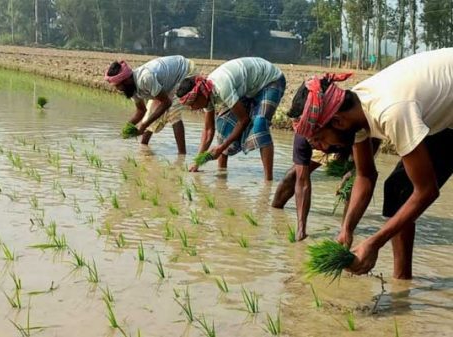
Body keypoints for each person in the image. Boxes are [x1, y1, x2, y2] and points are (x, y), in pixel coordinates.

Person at [287, 48, 453, 279]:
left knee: (409, 189)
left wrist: (374, 243)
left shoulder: (390, 111)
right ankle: (402, 282)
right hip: (443, 113)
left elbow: (426, 191)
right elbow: (365, 176)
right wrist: (347, 229)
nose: (322, 148)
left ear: (337, 121)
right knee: (398, 189)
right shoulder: (355, 111)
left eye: (320, 139)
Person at [176, 57, 285, 180]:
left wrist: (221, 147)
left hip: (270, 81)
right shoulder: (206, 93)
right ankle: (221, 176)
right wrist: (198, 162)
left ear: (200, 94)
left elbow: (244, 120)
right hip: (248, 88)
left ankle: (268, 180)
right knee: (223, 125)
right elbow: (208, 131)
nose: (192, 108)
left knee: (260, 124)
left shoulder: (222, 87)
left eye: (192, 104)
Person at [104, 55, 196, 154]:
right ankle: (143, 150)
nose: (117, 89)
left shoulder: (145, 78)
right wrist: (127, 127)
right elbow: (141, 111)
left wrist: (143, 126)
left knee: (173, 112)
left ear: (126, 80)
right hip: (165, 85)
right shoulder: (131, 88)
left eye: (118, 86)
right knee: (149, 116)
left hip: (185, 72)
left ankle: (182, 155)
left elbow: (166, 102)